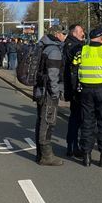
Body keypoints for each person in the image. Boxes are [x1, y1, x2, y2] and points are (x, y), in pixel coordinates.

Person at [72, 27, 102, 167]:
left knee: (87, 122)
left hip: (86, 91)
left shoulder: (82, 51)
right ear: (101, 38)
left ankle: (86, 155)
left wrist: (76, 88)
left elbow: (74, 69)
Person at [34, 24, 67, 166]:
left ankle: (40, 153)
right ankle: (46, 156)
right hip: (48, 92)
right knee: (48, 122)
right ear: (58, 34)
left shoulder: (42, 46)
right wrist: (55, 93)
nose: (65, 37)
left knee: (41, 121)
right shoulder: (54, 51)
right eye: (64, 34)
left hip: (40, 90)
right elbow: (53, 75)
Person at [61, 24, 86, 157]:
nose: (83, 34)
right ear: (74, 32)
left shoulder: (68, 44)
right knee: (77, 118)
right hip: (76, 88)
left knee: (74, 117)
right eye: (81, 31)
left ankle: (72, 145)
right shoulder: (75, 46)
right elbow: (74, 70)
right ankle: (74, 146)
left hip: (71, 87)